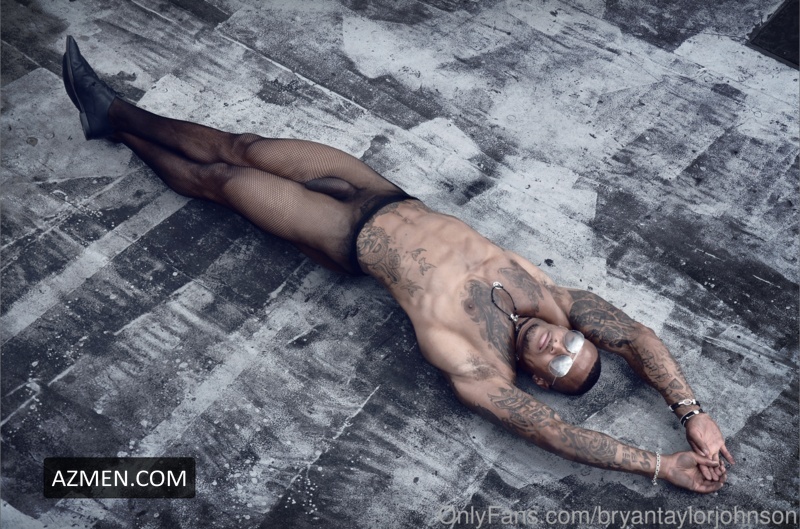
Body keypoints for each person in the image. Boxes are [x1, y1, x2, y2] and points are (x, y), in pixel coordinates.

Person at [62, 36, 733, 493]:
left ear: (539, 380)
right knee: (245, 145)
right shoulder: (550, 298)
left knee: (223, 180)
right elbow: (636, 337)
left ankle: (112, 116)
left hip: (342, 238)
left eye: (558, 365)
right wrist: (690, 412)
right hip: (382, 192)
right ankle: (118, 114)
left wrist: (659, 465)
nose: (558, 346)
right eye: (574, 345)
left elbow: (558, 434)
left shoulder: (483, 368)